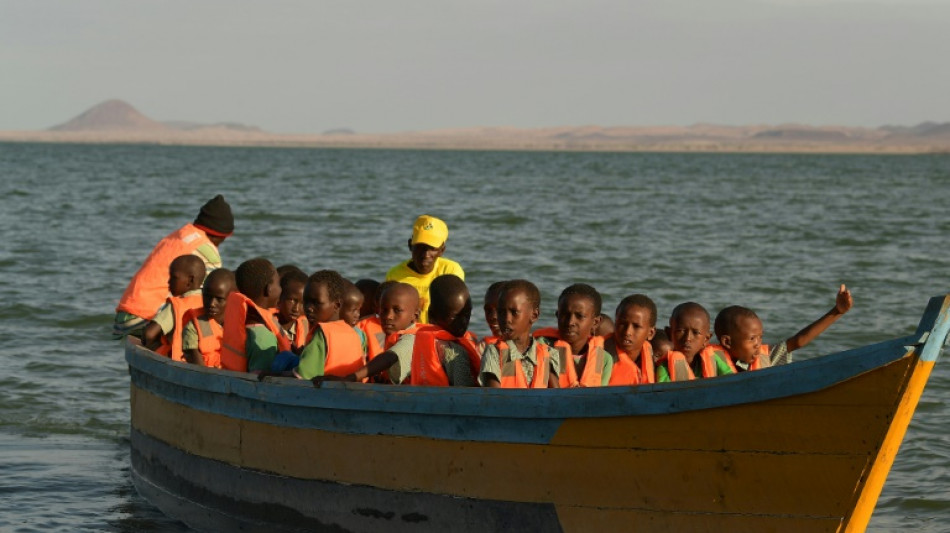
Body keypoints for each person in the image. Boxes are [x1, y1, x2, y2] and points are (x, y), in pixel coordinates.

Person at [316, 276, 479, 386]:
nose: (388, 316)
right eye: (383, 310)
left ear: (417, 315)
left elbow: (390, 357)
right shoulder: (427, 337)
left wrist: (349, 378)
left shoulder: (414, 339)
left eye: (397, 310)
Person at [113, 194, 234, 339]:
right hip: (148, 317)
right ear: (223, 235)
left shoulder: (179, 235)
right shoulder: (207, 249)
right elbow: (213, 293)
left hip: (125, 316)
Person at [713, 284, 854, 372]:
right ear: (727, 342)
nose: (758, 344)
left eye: (760, 337)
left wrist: (837, 312)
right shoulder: (710, 361)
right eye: (752, 339)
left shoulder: (766, 357)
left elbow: (797, 342)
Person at [479, 280, 559, 388]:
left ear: (534, 315)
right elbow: (495, 399)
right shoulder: (494, 353)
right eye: (501, 312)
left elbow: (557, 398)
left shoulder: (549, 354)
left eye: (514, 312)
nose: (507, 319)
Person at [385, 215, 464, 324]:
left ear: (442, 250)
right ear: (410, 245)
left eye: (432, 248)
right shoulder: (395, 274)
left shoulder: (450, 271)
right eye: (420, 247)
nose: (426, 254)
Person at [293, 270, 367, 380]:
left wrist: (277, 374)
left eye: (316, 303)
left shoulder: (322, 333)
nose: (309, 308)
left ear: (337, 305)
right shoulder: (354, 333)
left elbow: (304, 375)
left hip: (326, 393)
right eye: (306, 302)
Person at [220, 258, 291, 372]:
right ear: (269, 289)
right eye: (278, 284)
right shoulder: (263, 338)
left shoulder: (242, 322)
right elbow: (258, 380)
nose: (281, 289)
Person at [534, 283, 612, 387]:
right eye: (565, 314)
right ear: (557, 315)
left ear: (595, 322)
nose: (570, 322)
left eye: (580, 316)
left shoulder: (604, 359)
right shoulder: (541, 347)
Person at [142, 255, 206, 360]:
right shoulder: (207, 302)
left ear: (190, 280)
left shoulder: (177, 305)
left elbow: (149, 334)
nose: (168, 282)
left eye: (173, 277)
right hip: (203, 361)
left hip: (178, 361)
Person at [656, 302, 734, 382]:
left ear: (706, 339)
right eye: (680, 331)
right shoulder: (664, 367)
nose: (688, 338)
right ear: (669, 333)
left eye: (696, 333)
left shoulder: (714, 360)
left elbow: (732, 381)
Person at [181, 268, 235, 367]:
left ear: (233, 298)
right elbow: (197, 367)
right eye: (207, 296)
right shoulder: (193, 327)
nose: (212, 303)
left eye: (219, 299)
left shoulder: (241, 324)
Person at [604, 294, 657, 385]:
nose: (627, 332)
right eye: (622, 324)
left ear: (650, 333)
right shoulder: (600, 355)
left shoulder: (652, 356)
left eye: (636, 326)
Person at [277, 269, 310, 351]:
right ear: (279, 297)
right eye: (291, 300)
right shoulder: (268, 328)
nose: (296, 309)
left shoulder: (308, 328)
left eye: (303, 303)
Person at [478, 280, 507, 352]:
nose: (493, 317)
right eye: (488, 310)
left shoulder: (534, 348)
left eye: (499, 310)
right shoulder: (482, 350)